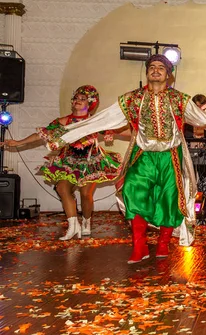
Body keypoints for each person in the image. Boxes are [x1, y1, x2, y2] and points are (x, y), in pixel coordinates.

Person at [49, 55, 206, 264]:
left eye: (161, 68)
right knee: (132, 192)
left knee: (169, 201)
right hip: (143, 156)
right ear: (147, 73)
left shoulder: (179, 99)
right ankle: (139, 247)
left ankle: (163, 243)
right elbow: (101, 120)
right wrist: (61, 135)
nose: (155, 70)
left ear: (169, 75)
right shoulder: (132, 99)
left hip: (169, 157)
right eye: (152, 67)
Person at [0, 85, 121, 240]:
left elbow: (118, 130)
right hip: (69, 162)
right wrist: (18, 142)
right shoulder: (63, 121)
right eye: (76, 98)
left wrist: (139, 131)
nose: (78, 100)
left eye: (82, 99)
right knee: (62, 188)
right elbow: (41, 135)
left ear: (90, 103)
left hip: (91, 162)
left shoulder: (94, 122)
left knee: (85, 194)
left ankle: (86, 220)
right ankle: (73, 226)